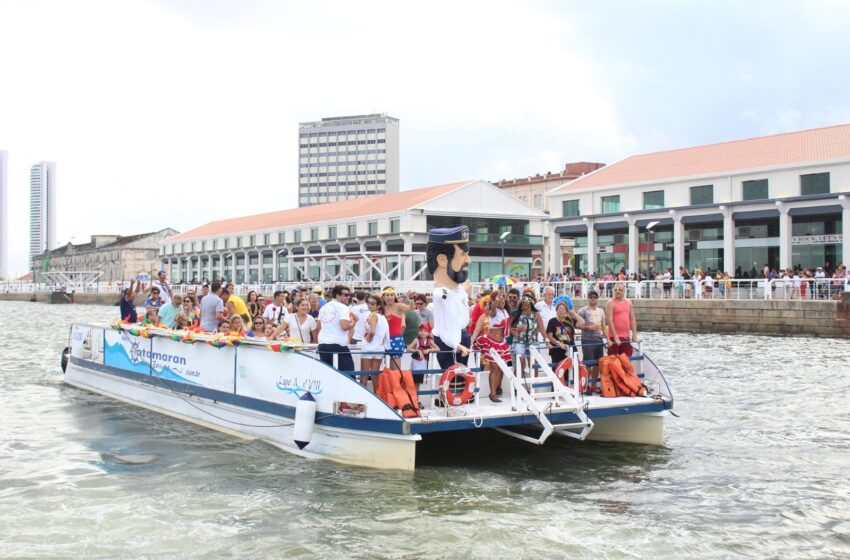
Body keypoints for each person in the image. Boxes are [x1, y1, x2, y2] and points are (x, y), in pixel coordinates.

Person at [427, 226, 472, 369]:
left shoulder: (455, 290)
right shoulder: (442, 294)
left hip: (462, 337)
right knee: (453, 382)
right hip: (450, 341)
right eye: (463, 254)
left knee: (463, 380)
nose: (468, 260)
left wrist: (464, 291)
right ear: (442, 259)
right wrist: (455, 344)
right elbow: (447, 324)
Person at [471, 290, 511, 402]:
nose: (502, 299)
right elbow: (493, 309)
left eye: (503, 297)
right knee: (494, 368)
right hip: (492, 342)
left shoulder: (505, 311)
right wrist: (496, 301)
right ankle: (492, 394)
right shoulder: (494, 311)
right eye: (499, 298)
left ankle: (496, 390)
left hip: (502, 343)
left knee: (500, 368)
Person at [317, 285, 356, 371]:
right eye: (346, 295)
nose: (348, 297)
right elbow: (344, 326)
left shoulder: (324, 307)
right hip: (338, 345)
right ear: (337, 295)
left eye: (349, 295)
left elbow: (318, 326)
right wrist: (352, 324)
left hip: (323, 344)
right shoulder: (343, 307)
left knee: (327, 373)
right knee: (348, 374)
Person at [510, 293, 547, 376]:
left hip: (533, 341)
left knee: (534, 365)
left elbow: (541, 328)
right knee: (520, 364)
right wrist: (515, 331)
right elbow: (509, 328)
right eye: (524, 304)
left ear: (531, 304)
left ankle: (532, 387)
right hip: (519, 342)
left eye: (528, 304)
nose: (526, 306)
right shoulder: (516, 314)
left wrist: (546, 339)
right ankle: (518, 386)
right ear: (522, 304)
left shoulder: (536, 314)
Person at [577, 290, 607, 383]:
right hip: (587, 340)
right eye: (591, 297)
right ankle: (585, 385)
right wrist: (589, 327)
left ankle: (593, 385)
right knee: (588, 364)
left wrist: (607, 338)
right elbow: (576, 325)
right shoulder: (582, 311)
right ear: (588, 298)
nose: (593, 299)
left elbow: (604, 326)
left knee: (597, 364)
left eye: (595, 297)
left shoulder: (601, 311)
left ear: (597, 298)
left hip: (599, 340)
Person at [360, 294, 389, 388]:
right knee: (375, 376)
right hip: (379, 348)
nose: (370, 305)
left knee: (364, 375)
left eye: (372, 304)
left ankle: (361, 402)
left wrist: (368, 339)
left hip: (368, 347)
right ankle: (377, 398)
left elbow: (372, 331)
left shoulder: (373, 316)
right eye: (368, 303)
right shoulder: (382, 317)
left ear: (378, 306)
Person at [605, 283, 639, 357]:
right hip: (614, 337)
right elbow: (609, 320)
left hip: (626, 336)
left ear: (624, 291)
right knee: (614, 361)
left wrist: (634, 334)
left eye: (620, 290)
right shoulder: (610, 303)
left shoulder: (628, 302)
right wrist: (615, 336)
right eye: (615, 290)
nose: (618, 291)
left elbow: (632, 319)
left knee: (626, 360)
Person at [546, 299, 583, 364]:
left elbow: (582, 322)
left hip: (571, 349)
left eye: (563, 309)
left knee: (573, 371)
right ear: (556, 310)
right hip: (557, 350)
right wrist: (558, 343)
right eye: (559, 309)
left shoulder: (570, 320)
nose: (561, 310)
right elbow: (550, 336)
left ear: (566, 311)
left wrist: (573, 313)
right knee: (558, 371)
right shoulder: (552, 321)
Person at [382, 287, 410, 370]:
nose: (389, 297)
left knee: (395, 370)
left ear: (395, 297)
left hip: (395, 339)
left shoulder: (398, 306)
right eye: (387, 295)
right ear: (383, 297)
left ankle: (396, 383)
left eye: (392, 295)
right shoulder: (382, 308)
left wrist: (411, 299)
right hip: (383, 340)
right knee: (385, 369)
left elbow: (410, 308)